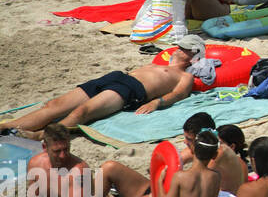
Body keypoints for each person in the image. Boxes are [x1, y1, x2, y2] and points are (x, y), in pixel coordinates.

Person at [6, 36, 202, 137]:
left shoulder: (185, 76)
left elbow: (179, 94)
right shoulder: (157, 62)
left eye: (183, 48)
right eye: (179, 46)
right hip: (116, 77)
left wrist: (157, 103)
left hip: (132, 90)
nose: (178, 49)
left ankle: (41, 136)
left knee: (83, 111)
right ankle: (8, 126)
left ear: (193, 55)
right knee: (53, 105)